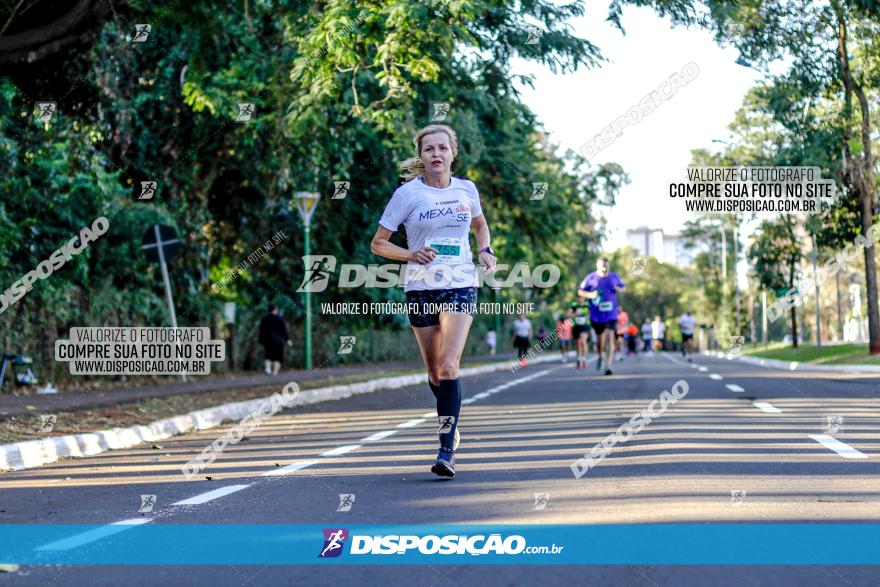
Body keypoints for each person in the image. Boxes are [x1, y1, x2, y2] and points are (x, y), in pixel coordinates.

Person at [371, 123, 496, 478]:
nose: (436, 154)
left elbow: (480, 226)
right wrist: (410, 255)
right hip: (420, 285)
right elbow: (378, 243)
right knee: (433, 371)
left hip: (460, 281)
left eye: (443, 148)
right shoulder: (407, 194)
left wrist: (485, 249)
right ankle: (450, 421)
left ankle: (445, 451)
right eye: (429, 149)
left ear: (453, 153)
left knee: (448, 366)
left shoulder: (466, 189)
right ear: (421, 156)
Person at [578, 257, 626, 376]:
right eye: (602, 265)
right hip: (596, 315)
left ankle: (608, 365)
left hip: (611, 313)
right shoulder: (591, 278)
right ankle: (600, 355)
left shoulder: (614, 276)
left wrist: (619, 289)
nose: (604, 267)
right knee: (601, 340)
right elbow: (580, 291)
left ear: (608, 265)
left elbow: (623, 288)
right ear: (597, 265)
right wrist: (590, 294)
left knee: (610, 337)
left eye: (606, 265)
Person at [258, 305, 291, 375]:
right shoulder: (280, 319)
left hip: (268, 340)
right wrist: (287, 339)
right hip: (278, 341)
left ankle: (268, 368)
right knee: (278, 357)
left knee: (268, 356)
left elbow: (261, 331)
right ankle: (275, 372)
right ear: (275, 310)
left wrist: (261, 340)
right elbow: (284, 330)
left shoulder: (265, 319)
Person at [570, 300, 589, 369]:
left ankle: (584, 360)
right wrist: (575, 314)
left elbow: (593, 313)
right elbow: (569, 314)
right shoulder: (574, 305)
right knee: (578, 343)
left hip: (585, 326)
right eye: (579, 298)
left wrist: (587, 315)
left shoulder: (587, 304)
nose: (580, 299)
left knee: (583, 341)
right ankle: (579, 360)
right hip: (576, 326)